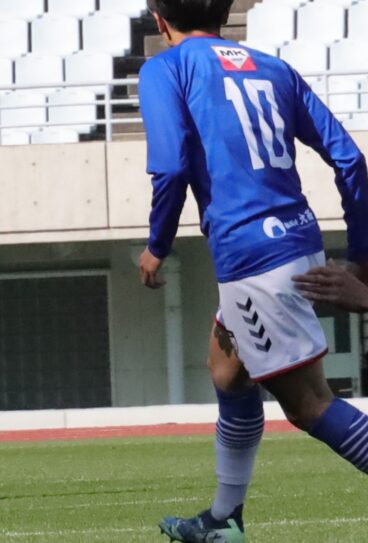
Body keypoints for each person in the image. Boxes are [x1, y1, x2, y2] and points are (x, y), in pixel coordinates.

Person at [137, 1, 368, 541]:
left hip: (252, 257)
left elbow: (170, 165)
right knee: (229, 371)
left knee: (310, 404)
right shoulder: (274, 67)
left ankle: (224, 521)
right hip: (295, 240)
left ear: (159, 20)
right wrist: (361, 257)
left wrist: (156, 245)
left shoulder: (166, 68)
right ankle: (224, 520)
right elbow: (350, 160)